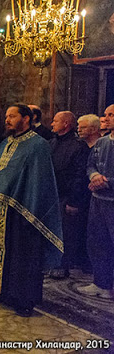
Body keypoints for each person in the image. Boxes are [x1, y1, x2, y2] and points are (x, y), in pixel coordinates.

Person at [0, 104, 62, 317]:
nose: (7, 120)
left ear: (26, 119)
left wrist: (30, 208)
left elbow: (39, 180)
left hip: (22, 210)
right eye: (6, 116)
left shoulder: (38, 145)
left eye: (12, 116)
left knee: (22, 257)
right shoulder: (5, 143)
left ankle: (23, 299)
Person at [77, 104, 114, 299]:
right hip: (98, 200)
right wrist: (94, 176)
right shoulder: (101, 143)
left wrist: (106, 181)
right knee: (98, 241)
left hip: (112, 199)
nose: (106, 118)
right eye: (106, 115)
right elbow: (90, 164)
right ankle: (101, 283)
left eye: (111, 115)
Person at [48, 111, 90, 279]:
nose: (52, 124)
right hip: (51, 194)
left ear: (66, 124)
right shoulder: (50, 143)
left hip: (66, 195)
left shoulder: (78, 146)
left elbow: (79, 175)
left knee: (65, 233)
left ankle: (62, 265)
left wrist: (74, 201)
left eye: (55, 121)